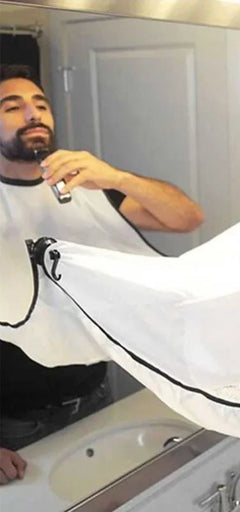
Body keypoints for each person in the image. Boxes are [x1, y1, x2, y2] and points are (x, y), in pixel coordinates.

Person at [0, 64, 203, 485]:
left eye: (41, 105)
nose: (33, 114)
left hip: (95, 393)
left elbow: (187, 218)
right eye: (12, 107)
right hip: (12, 421)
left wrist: (118, 177)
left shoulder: (85, 189)